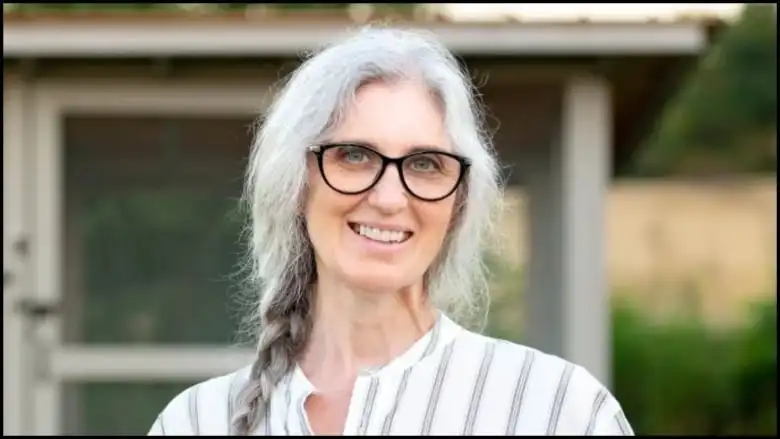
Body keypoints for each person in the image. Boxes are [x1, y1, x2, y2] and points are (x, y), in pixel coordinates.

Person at [147, 26, 634, 436]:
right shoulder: (194, 422)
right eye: (355, 156)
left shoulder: (557, 411)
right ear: (296, 185)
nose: (388, 198)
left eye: (425, 164)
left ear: (458, 203)